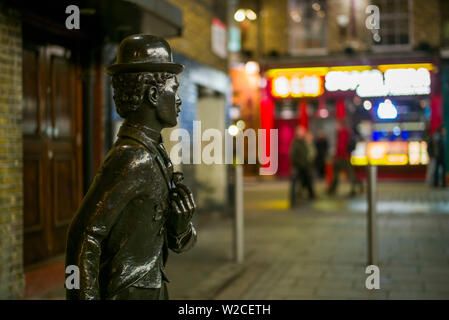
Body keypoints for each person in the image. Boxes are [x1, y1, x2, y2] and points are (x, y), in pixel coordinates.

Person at [65, 35, 197, 300]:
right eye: (175, 89)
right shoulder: (131, 158)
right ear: (153, 94)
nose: (179, 100)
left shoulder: (154, 152)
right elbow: (83, 234)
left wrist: (180, 225)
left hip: (152, 288)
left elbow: (175, 241)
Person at [327, 120, 359, 197]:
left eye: (337, 125)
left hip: (342, 157)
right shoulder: (346, 133)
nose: (335, 127)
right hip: (345, 157)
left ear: (340, 125)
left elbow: (341, 147)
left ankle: (353, 188)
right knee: (347, 174)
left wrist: (336, 156)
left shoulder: (342, 133)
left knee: (343, 174)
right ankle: (333, 189)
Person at [290, 126, 316, 207]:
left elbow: (309, 152)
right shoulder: (296, 142)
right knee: (295, 183)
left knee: (306, 181)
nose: (303, 133)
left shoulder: (303, 142)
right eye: (302, 131)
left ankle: (307, 195)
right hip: (298, 166)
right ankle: (294, 199)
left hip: (305, 166)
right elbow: (294, 155)